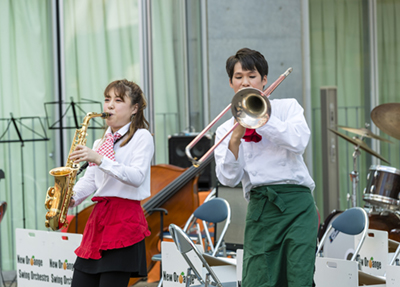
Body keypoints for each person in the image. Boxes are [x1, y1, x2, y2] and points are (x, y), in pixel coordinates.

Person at [214, 48, 318, 287]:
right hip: (261, 208)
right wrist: (234, 139)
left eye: (251, 75)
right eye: (238, 77)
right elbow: (228, 178)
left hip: (298, 205)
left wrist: (262, 119)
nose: (245, 82)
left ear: (264, 80)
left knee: (299, 276)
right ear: (230, 83)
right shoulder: (225, 130)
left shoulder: (287, 108)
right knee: (259, 278)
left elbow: (299, 142)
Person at [68, 79, 154, 287]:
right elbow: (90, 181)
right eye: (107, 99)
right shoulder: (101, 143)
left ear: (134, 108)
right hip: (99, 221)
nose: (110, 106)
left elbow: (136, 177)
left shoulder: (142, 137)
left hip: (124, 221)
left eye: (118, 100)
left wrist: (99, 159)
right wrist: (70, 197)